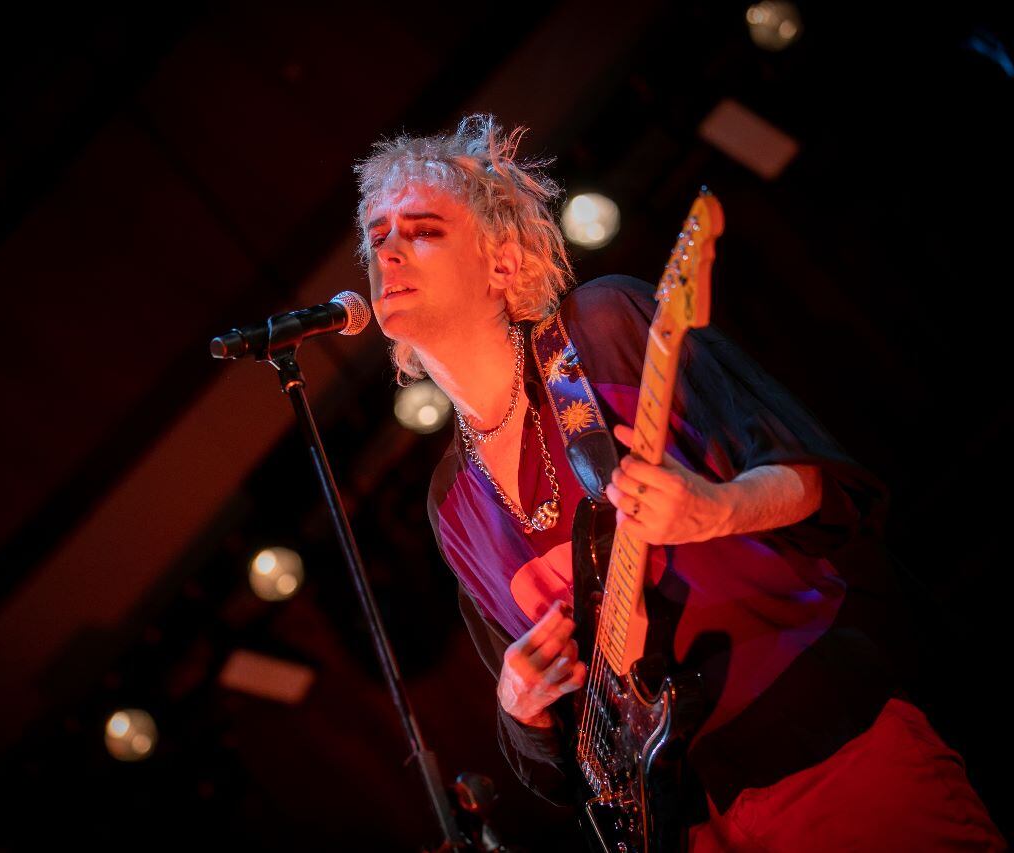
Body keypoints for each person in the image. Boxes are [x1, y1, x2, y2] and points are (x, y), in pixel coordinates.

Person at [353, 114, 1005, 850]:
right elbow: (568, 756)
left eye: (422, 230)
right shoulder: (452, 501)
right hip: (688, 825)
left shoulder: (603, 330)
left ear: (501, 264)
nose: (389, 252)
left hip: (825, 753)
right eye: (377, 237)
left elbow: (822, 481)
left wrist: (717, 507)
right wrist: (520, 707)